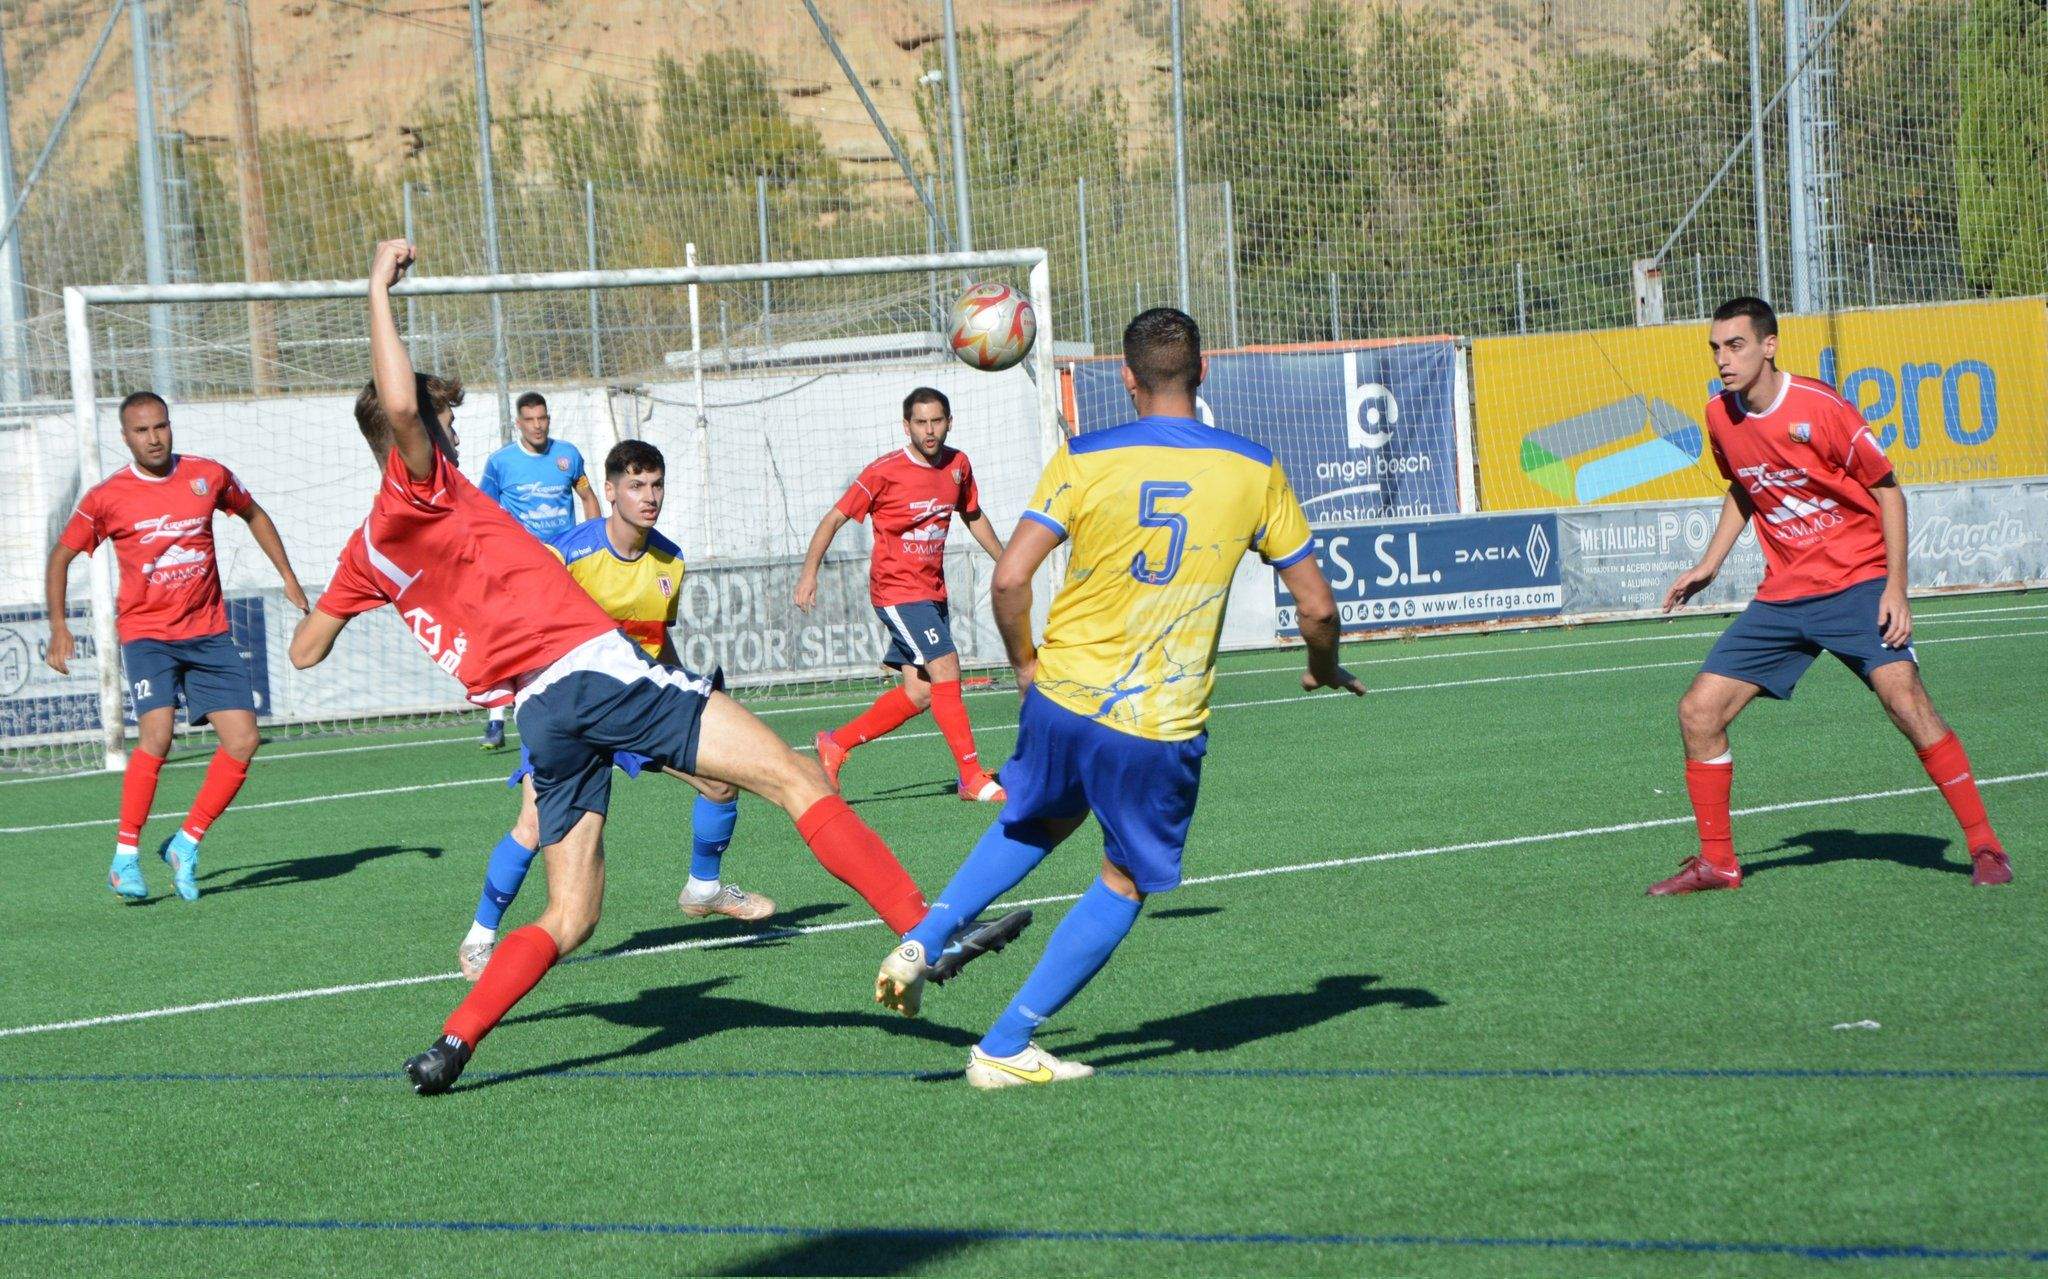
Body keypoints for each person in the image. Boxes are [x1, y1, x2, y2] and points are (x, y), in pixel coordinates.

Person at [290, 240, 1025, 1095]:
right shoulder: (418, 486)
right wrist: (376, 285)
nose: (450, 434)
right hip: (590, 669)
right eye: (441, 423)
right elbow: (403, 411)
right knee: (792, 774)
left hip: (539, 713)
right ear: (407, 433)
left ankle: (451, 1043)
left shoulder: (366, 550)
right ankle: (927, 934)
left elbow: (307, 648)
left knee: (570, 916)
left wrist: (360, 596)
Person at [874, 308, 1365, 1088]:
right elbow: (1317, 607)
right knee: (1125, 877)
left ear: (1126, 378)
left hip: (1063, 696)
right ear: (1202, 374)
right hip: (1155, 722)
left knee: (1034, 817)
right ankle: (1005, 1043)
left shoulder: (1084, 456)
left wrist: (1027, 664)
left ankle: (927, 937)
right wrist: (1323, 663)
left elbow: (1009, 579)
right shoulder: (1253, 467)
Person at [1652, 295, 2010, 895]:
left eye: (1735, 345)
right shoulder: (1719, 415)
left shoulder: (1821, 408)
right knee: (1699, 713)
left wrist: (1897, 587)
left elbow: (1889, 492)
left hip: (1857, 584)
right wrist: (1709, 564)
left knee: (1905, 702)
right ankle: (1718, 863)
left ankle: (1985, 846)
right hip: (1784, 595)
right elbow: (1744, 486)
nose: (1723, 359)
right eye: (1715, 348)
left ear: (1769, 345)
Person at [459, 438, 774, 981]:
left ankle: (703, 888)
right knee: (532, 825)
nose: (648, 497)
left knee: (722, 783)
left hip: (639, 706)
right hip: (573, 713)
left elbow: (657, 641)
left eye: (655, 485)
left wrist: (684, 683)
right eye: (635, 485)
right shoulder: (566, 555)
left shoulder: (669, 561)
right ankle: (480, 936)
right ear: (609, 492)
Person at [45, 392, 309, 902]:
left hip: (208, 631)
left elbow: (254, 514)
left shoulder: (208, 476)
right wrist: (59, 627)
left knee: (243, 740)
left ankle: (186, 843)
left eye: (160, 427)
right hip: (148, 635)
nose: (154, 438)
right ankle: (125, 857)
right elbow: (61, 557)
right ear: (126, 438)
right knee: (158, 735)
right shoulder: (107, 497)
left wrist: (288, 577)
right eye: (142, 431)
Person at [793, 388, 1007, 802]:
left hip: (932, 592)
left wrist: (1005, 558)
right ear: (906, 426)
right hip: (897, 591)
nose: (930, 430)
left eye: (937, 421)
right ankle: (970, 777)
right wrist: (809, 573)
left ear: (949, 421)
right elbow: (834, 518)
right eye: (921, 422)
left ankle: (835, 743)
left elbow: (972, 514)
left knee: (921, 691)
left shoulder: (958, 466)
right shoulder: (883, 471)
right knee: (946, 667)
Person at [473, 392, 600, 751]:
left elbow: (588, 498)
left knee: (572, 636)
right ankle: (496, 719)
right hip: (520, 566)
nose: (538, 425)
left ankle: (580, 709)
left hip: (564, 563)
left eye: (542, 418)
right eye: (530, 420)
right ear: (518, 424)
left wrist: (595, 541)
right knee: (511, 635)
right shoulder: (501, 463)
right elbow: (484, 509)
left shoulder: (567, 456)